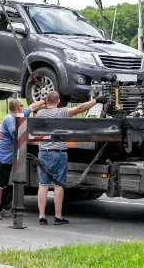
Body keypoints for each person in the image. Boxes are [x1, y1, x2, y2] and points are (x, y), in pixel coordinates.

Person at [36, 91, 108, 225]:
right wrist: (96, 101)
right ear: (58, 101)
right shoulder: (61, 112)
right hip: (58, 152)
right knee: (58, 185)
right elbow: (80, 108)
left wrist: (41, 102)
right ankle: (58, 217)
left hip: (43, 152)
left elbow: (33, 108)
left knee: (43, 184)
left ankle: (42, 217)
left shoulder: (40, 114)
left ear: (46, 101)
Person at [0, 98, 45, 220]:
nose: (23, 108)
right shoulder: (9, 120)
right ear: (18, 107)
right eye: (21, 106)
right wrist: (35, 135)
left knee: (1, 185)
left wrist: (43, 101)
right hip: (1, 157)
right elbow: (18, 135)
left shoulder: (18, 115)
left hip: (7, 158)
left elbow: (32, 107)